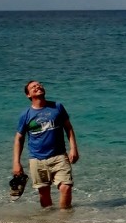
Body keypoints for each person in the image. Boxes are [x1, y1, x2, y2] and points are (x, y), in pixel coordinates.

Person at [13, 80, 79, 209]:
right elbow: (19, 139)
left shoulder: (57, 107)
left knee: (66, 187)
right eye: (33, 87)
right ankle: (48, 221)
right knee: (44, 193)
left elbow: (68, 128)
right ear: (28, 95)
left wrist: (73, 149)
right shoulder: (26, 114)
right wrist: (16, 162)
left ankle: (64, 218)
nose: (38, 86)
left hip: (59, 156)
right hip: (37, 159)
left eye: (39, 85)